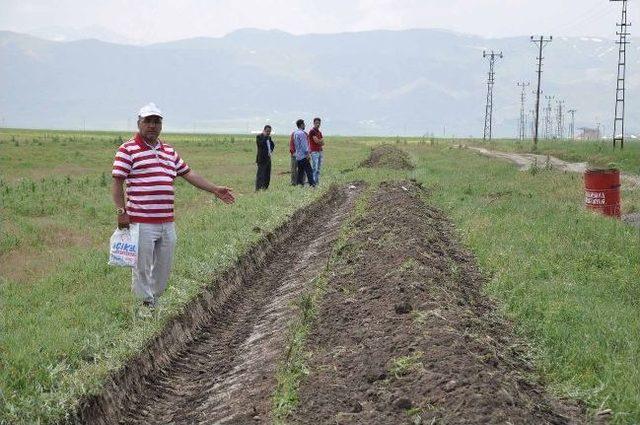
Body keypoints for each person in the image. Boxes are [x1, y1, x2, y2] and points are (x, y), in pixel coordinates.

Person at [112, 102, 235, 309]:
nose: (152, 125)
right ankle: (144, 306)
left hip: (167, 221)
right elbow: (117, 182)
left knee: (163, 266)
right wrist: (121, 212)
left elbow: (188, 173)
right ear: (139, 123)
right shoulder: (127, 150)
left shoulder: (168, 150)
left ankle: (154, 299)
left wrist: (214, 189)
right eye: (148, 121)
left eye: (156, 122)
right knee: (141, 267)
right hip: (141, 222)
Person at [293, 119, 315, 187]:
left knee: (300, 172)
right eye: (304, 124)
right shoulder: (302, 133)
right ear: (301, 125)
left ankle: (299, 184)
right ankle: (312, 184)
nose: (305, 125)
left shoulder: (295, 133)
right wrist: (307, 154)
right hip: (303, 156)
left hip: (298, 156)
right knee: (309, 171)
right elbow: (304, 145)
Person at [255, 124, 275, 191]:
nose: (268, 133)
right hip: (261, 159)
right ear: (264, 130)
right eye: (267, 131)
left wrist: (270, 151)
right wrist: (265, 137)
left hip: (268, 159)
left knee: (267, 175)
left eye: (269, 131)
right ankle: (258, 189)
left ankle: (265, 188)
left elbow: (272, 144)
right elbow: (260, 144)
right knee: (260, 175)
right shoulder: (259, 137)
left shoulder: (269, 138)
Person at [308, 117, 325, 185]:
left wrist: (319, 141)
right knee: (314, 168)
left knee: (318, 168)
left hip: (320, 151)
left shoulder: (319, 132)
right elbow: (317, 141)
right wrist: (319, 141)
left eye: (319, 123)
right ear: (314, 123)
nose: (318, 124)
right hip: (314, 151)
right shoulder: (312, 131)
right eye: (316, 123)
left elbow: (323, 143)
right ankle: (313, 182)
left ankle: (316, 182)